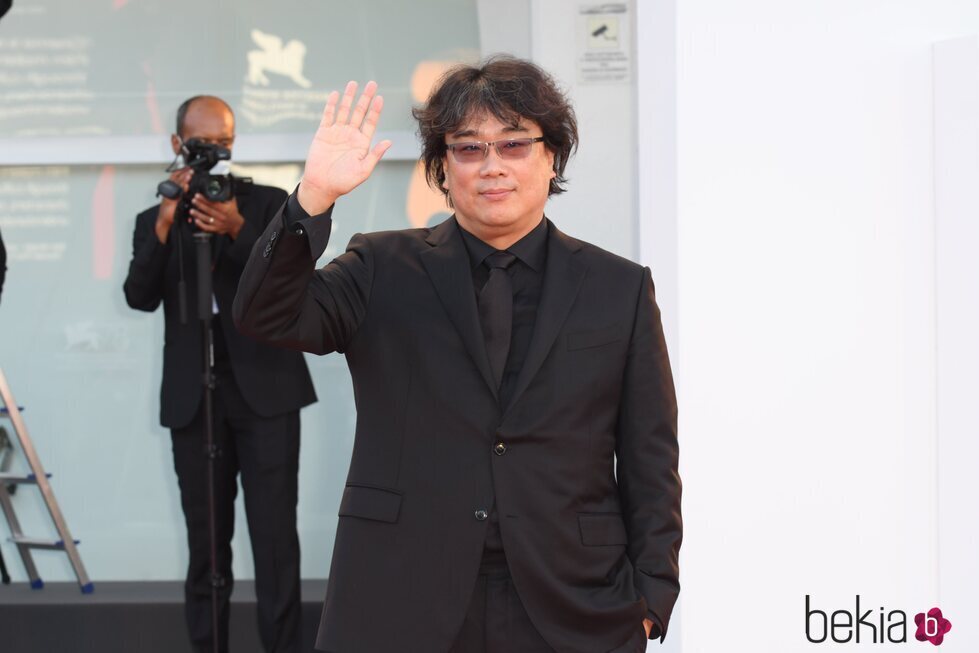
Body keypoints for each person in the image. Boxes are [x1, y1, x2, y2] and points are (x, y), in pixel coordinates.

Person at [234, 57, 681, 653]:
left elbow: (651, 456)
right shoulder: (381, 267)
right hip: (399, 599)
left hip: (574, 603)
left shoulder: (618, 288)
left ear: (552, 157)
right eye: (469, 148)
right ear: (443, 169)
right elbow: (265, 315)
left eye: (514, 144)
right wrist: (313, 198)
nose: (492, 165)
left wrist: (650, 598)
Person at [123, 96, 316, 653]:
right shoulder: (157, 217)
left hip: (267, 390)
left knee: (275, 539)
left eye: (223, 143)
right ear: (177, 145)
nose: (213, 153)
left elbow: (291, 281)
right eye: (201, 143)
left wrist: (237, 229)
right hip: (194, 398)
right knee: (206, 542)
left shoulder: (268, 204)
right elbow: (138, 296)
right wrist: (165, 223)